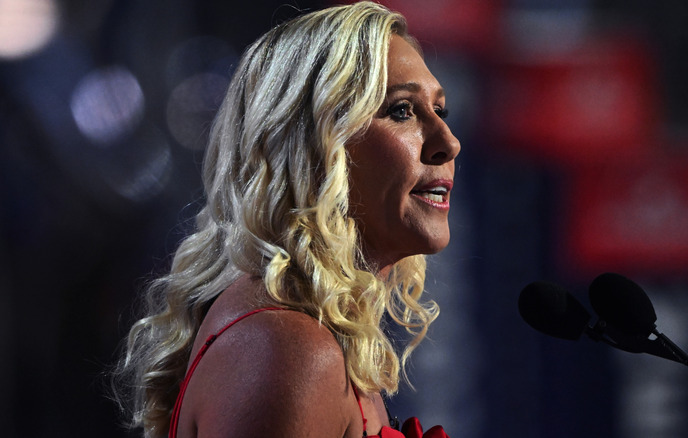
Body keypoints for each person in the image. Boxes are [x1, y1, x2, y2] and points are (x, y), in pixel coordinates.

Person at [113, 2, 461, 437]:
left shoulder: (309, 338)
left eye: (440, 111)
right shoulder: (290, 349)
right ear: (312, 144)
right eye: (401, 110)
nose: (448, 142)